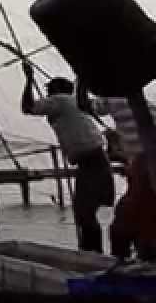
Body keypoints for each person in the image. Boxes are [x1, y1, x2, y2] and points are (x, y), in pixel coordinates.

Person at [21, 72, 114, 253]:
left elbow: (28, 107)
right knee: (85, 214)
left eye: (49, 91)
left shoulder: (61, 101)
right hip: (95, 162)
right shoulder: (70, 102)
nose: (47, 95)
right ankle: (92, 253)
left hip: (92, 163)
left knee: (85, 214)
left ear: (57, 91)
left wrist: (29, 79)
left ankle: (93, 254)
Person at [76, 89, 156, 259]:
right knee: (138, 231)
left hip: (145, 169)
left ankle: (129, 267)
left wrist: (80, 80)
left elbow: (83, 105)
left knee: (123, 231)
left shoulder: (113, 95)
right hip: (142, 170)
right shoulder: (138, 103)